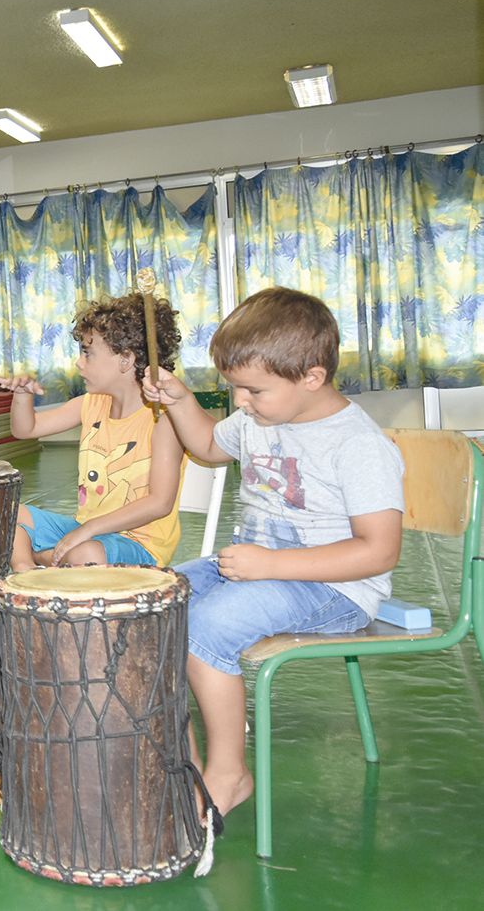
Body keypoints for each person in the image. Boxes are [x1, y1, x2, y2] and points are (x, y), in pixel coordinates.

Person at [144, 287, 403, 824]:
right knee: (152, 602)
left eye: (252, 390)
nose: (240, 401)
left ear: (311, 375)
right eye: (235, 388)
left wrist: (272, 564)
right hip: (257, 567)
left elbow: (378, 552)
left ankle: (229, 773)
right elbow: (210, 448)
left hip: (336, 586)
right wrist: (179, 400)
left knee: (205, 627)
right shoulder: (261, 418)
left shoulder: (358, 445)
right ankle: (183, 764)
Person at [0, 292, 185, 571]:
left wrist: (89, 529)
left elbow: (160, 503)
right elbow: (26, 429)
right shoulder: (90, 404)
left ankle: (48, 561)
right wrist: (21, 396)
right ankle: (27, 572)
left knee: (86, 553)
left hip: (138, 545)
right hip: (84, 530)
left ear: (125, 360)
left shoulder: (164, 419)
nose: (79, 363)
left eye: (87, 353)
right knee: (5, 512)